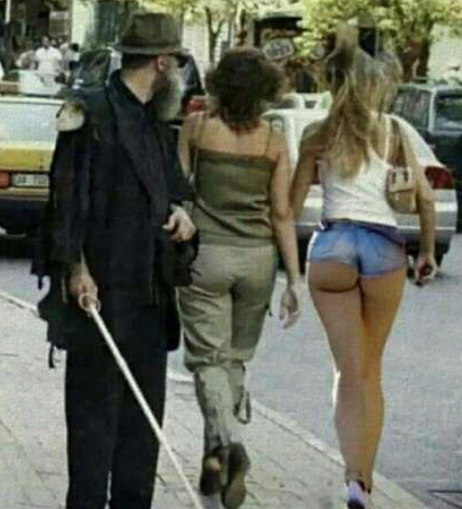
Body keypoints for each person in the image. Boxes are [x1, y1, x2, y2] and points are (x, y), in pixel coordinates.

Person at [33, 11, 195, 509]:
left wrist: (182, 215)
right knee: (92, 432)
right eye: (177, 64)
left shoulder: (156, 122)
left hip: (149, 299)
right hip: (100, 298)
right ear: (162, 63)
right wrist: (75, 268)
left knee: (141, 436)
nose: (181, 74)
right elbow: (64, 199)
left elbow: (172, 192)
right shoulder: (92, 113)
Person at [290, 36, 436, 509]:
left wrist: (287, 267)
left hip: (332, 247)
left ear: (332, 82)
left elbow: (290, 206)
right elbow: (425, 198)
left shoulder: (317, 133)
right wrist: (427, 251)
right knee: (371, 373)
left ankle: (350, 475)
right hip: (383, 249)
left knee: (346, 372)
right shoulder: (394, 130)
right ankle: (363, 484)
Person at [177, 48, 302, 509]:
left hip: (206, 257)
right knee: (233, 361)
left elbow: (178, 191)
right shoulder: (273, 141)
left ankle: (227, 443)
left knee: (208, 360)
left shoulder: (197, 128)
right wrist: (294, 279)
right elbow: (282, 213)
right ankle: (215, 463)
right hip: (258, 261)